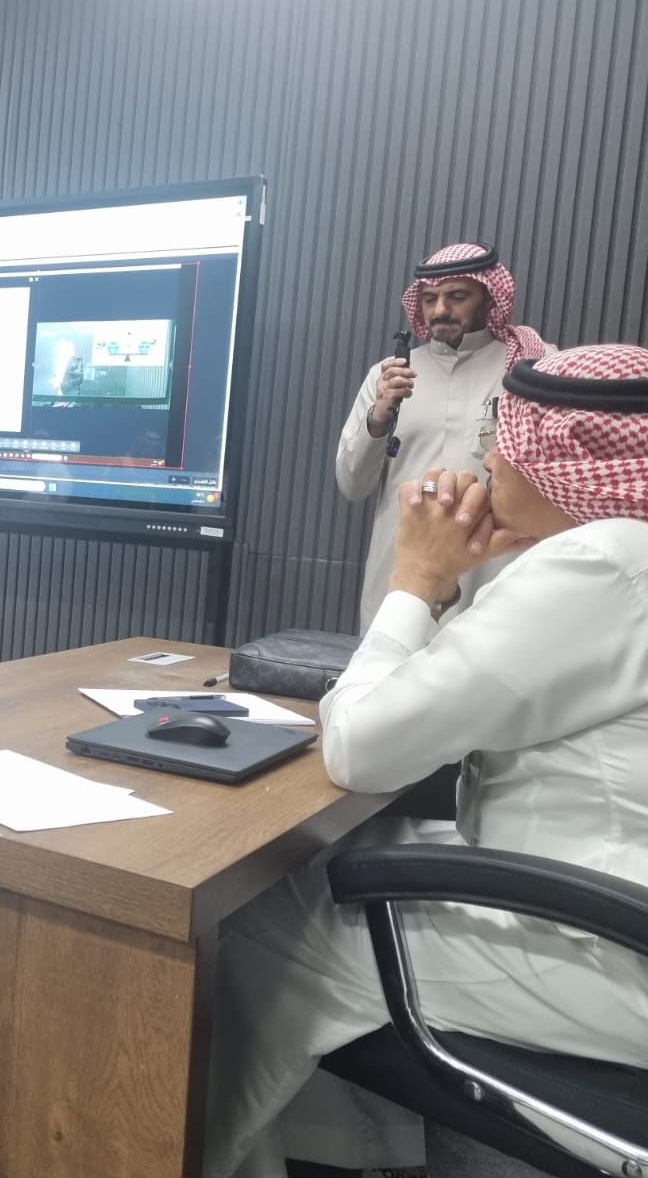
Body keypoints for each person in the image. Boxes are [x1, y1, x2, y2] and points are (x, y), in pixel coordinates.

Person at [206, 343, 648, 1178]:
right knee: (344, 855)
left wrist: (413, 577)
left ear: (561, 461)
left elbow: (359, 747)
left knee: (268, 921)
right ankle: (360, 1157)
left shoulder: (602, 563)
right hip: (600, 892)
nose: (487, 462)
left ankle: (190, 1155)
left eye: (501, 441)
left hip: (609, 947)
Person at [334, 243, 552, 630]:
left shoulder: (528, 367)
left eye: (457, 296)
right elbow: (352, 484)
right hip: (401, 578)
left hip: (494, 578)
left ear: (489, 297)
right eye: (430, 299)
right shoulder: (389, 376)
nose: (440, 310)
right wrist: (379, 415)